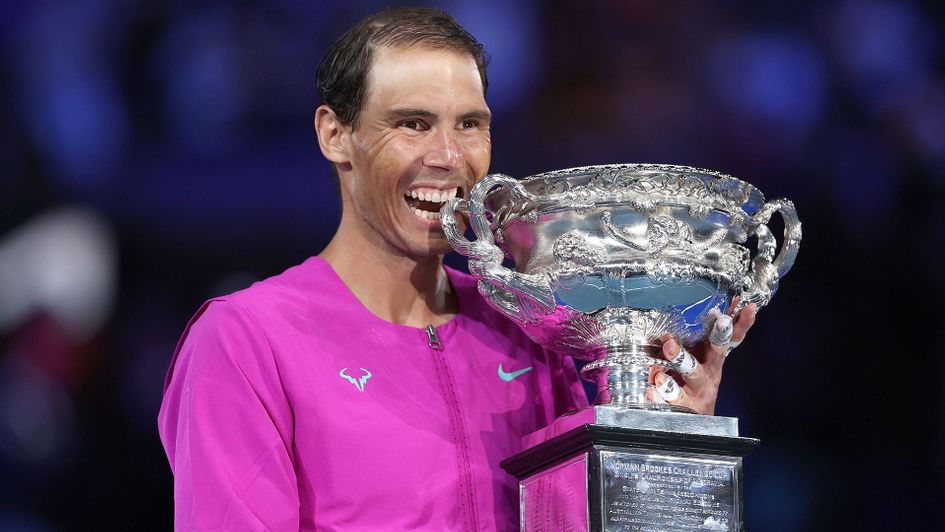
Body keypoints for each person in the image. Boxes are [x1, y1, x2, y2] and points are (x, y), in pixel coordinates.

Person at [157, 7, 756, 530]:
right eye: (412, 123)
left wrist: (662, 451)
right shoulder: (245, 341)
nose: (447, 157)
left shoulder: (530, 330)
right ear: (336, 135)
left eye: (469, 124)